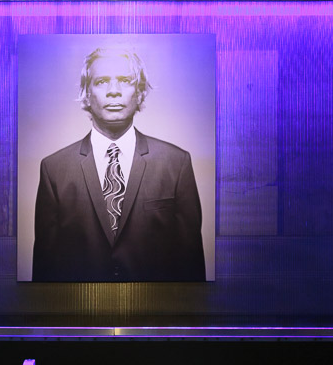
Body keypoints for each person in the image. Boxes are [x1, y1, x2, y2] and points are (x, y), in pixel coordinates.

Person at [32, 47, 204, 282]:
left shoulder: (176, 164)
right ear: (86, 94)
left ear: (141, 93)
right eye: (102, 81)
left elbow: (192, 266)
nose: (113, 91)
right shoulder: (54, 170)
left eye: (125, 81)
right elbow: (44, 273)